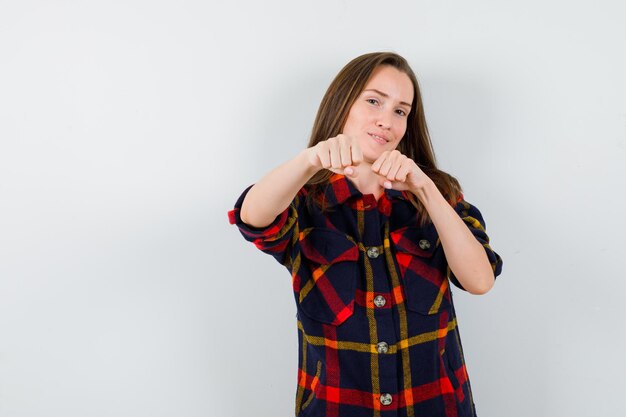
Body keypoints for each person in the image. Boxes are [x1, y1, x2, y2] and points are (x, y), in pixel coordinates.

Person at [227, 51, 503, 417]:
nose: (386, 120)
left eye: (400, 111)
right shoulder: (305, 202)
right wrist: (310, 160)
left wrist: (425, 189)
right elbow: (253, 218)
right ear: (343, 104)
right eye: (374, 101)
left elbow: (480, 280)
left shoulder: (435, 196)